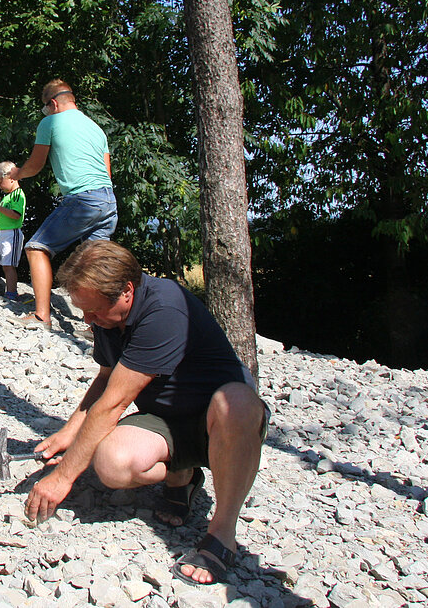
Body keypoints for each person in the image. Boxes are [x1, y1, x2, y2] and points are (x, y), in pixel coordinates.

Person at [24, 241, 269, 586]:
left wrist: (63, 478)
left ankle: (222, 532)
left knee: (236, 403)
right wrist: (69, 432)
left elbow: (114, 404)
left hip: (222, 421)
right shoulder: (111, 318)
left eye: (92, 311)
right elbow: (106, 380)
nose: (86, 319)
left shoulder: (164, 309)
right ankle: (182, 475)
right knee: (111, 463)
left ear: (126, 291)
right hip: (167, 419)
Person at [7, 79, 117, 330]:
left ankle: (41, 316)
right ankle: (100, 327)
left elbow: (35, 165)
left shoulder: (51, 122)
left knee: (36, 248)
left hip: (83, 198)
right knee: (95, 262)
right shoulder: (96, 129)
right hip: (107, 200)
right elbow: (106, 174)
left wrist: (18, 173)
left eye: (46, 106)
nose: (45, 111)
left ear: (53, 103)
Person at [0, 161, 26, 301]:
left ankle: (12, 293)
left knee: (9, 265)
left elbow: (16, 215)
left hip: (12, 233)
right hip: (4, 233)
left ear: (11, 178)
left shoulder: (17, 195)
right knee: (5, 264)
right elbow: (3, 216)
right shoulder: (7, 197)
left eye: (0, 182)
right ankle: (10, 291)